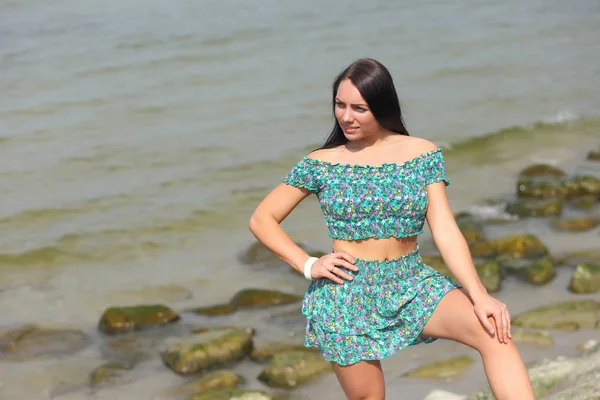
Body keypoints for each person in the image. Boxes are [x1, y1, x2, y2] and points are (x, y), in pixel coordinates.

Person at [248, 58, 535, 400]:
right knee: (370, 397)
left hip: (411, 281)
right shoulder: (321, 163)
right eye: (340, 105)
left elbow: (444, 229)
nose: (346, 116)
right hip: (346, 294)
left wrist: (479, 294)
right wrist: (308, 264)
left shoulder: (421, 154)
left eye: (359, 108)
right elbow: (262, 219)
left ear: (382, 107)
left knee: (494, 333)